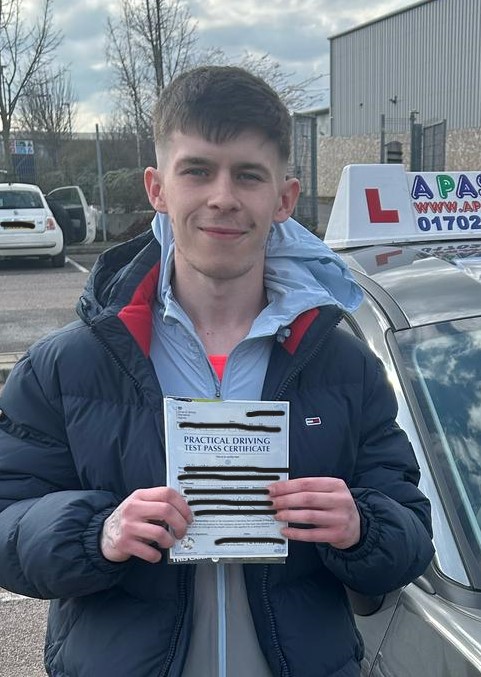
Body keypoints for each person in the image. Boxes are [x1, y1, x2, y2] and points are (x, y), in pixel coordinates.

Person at [0, 66, 434, 677]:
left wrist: (362, 526)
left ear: (283, 197)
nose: (222, 197)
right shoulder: (67, 367)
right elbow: (8, 526)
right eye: (197, 170)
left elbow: (411, 534)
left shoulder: (345, 366)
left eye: (248, 175)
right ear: (158, 188)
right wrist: (97, 531)